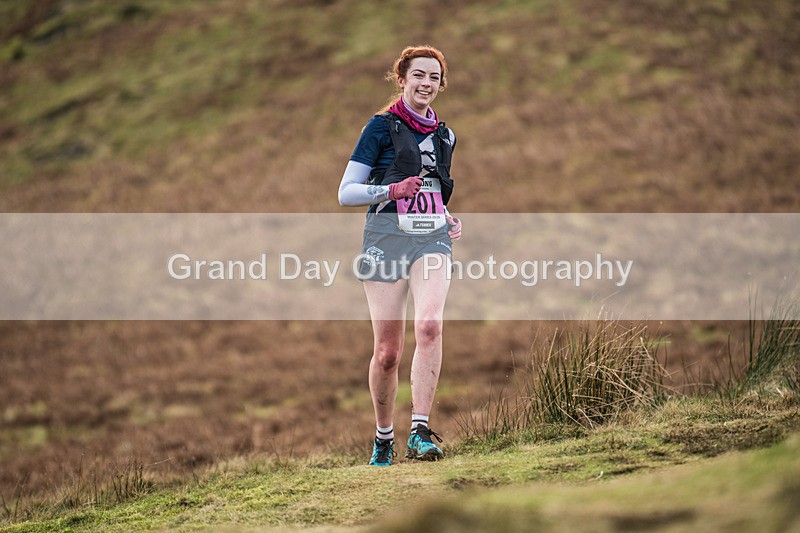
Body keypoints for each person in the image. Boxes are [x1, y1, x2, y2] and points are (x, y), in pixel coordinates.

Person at [338, 45, 462, 466]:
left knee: (429, 325)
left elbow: (432, 191)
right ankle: (383, 438)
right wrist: (390, 190)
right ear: (402, 79)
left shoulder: (446, 136)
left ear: (441, 84)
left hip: (431, 239)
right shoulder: (379, 127)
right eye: (419, 75)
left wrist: (447, 216)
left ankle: (420, 433)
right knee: (388, 352)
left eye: (434, 77)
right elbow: (346, 192)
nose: (426, 83)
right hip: (385, 238)